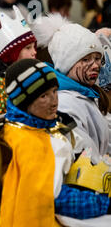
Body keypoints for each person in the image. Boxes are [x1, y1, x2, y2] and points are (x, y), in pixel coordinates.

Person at [0, 58, 88, 227]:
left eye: (55, 91)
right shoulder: (24, 140)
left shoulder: (42, 128)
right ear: (25, 102)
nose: (54, 101)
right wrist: (99, 202)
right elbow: (50, 195)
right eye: (43, 96)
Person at [32, 14, 110, 162]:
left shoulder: (86, 93)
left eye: (97, 58)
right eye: (86, 59)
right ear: (65, 64)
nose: (95, 65)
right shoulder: (63, 104)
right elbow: (86, 156)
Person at [0, 5, 37, 114]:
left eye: (34, 46)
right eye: (28, 48)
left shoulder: (29, 72)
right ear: (12, 54)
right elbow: (3, 118)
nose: (34, 52)